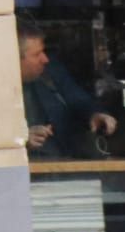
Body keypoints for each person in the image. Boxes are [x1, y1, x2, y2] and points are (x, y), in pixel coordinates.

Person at [20, 18, 117, 159]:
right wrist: (20, 140)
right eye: (36, 54)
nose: (45, 59)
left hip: (67, 164)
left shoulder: (50, 71)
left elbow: (78, 99)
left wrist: (95, 114)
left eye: (43, 51)